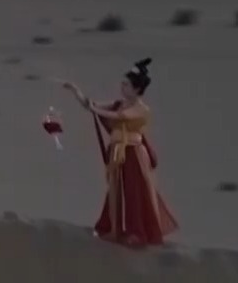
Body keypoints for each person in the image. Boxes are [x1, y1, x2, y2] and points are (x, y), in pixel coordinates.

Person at [61, 58, 179, 248]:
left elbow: (119, 116)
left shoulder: (141, 109)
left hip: (133, 154)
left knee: (134, 191)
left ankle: (136, 232)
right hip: (119, 153)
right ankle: (114, 228)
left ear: (137, 89)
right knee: (116, 191)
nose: (122, 87)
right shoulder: (119, 103)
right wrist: (76, 91)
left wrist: (95, 109)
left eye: (126, 84)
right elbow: (91, 105)